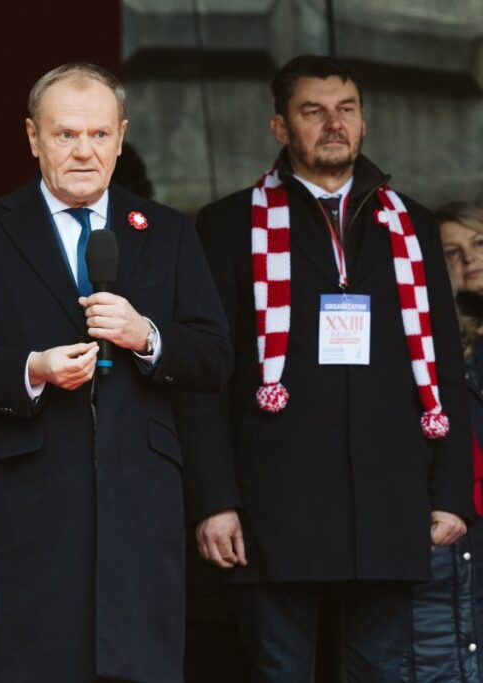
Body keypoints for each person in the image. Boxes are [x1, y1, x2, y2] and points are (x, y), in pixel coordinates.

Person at [0, 62, 232, 683]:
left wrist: (147, 336)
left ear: (121, 136)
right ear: (33, 137)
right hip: (30, 507)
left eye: (100, 134)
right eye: (66, 135)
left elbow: (215, 359)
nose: (85, 151)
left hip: (140, 508)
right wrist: (30, 369)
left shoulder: (166, 231)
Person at [183, 55, 471, 681]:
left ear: (364, 122)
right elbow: (207, 377)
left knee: (381, 673)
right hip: (272, 509)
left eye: (347, 110)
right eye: (313, 111)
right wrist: (214, 501)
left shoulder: (413, 224)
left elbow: (444, 364)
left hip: (386, 503)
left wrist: (451, 493)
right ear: (280, 127)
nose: (334, 124)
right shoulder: (229, 224)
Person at [401, 202, 483, 682]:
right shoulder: (433, 337)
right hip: (453, 520)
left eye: (478, 243)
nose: (468, 259)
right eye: (451, 252)